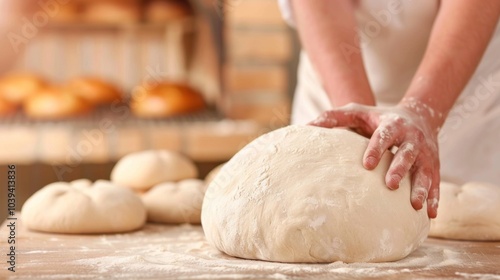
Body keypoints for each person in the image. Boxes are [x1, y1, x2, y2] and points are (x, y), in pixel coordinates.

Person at [278, 0, 500, 218]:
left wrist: (422, 110)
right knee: (320, 216)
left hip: (466, 101)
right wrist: (354, 116)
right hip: (336, 79)